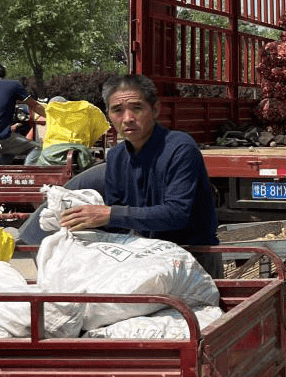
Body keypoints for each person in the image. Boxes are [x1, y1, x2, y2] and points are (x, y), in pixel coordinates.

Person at [56, 74, 221, 277]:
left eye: (137, 108)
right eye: (117, 110)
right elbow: (117, 225)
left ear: (155, 109)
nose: (127, 118)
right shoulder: (116, 156)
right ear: (109, 116)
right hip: (147, 259)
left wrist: (109, 214)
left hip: (193, 259)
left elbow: (176, 214)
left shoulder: (180, 148)